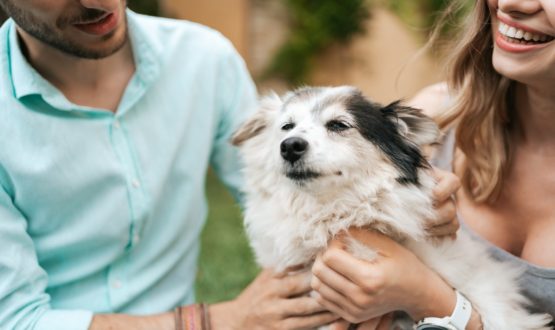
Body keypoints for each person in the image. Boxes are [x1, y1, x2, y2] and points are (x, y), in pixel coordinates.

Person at [0, 1, 461, 329]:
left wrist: (408, 206)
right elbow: (15, 320)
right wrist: (223, 320)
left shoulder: (204, 58)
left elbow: (278, 189)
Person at [311, 0, 555, 328]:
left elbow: (416, 294)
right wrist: (394, 215)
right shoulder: (437, 118)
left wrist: (430, 298)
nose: (512, 4)